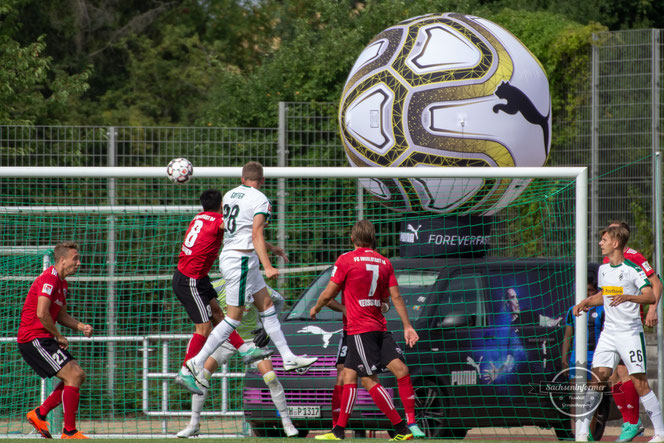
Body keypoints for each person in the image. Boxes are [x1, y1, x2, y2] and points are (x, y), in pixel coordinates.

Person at [181, 162, 317, 395]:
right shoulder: (261, 199)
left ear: (243, 178)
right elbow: (255, 232)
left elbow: (241, 230)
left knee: (266, 305)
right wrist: (268, 266)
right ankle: (195, 363)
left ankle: (288, 357)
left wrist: (270, 249)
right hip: (242, 260)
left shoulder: (231, 194)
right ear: (262, 180)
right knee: (232, 318)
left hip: (240, 258)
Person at [310, 220, 423, 440]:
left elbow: (327, 294)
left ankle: (402, 429)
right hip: (379, 327)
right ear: (373, 239)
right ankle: (339, 431)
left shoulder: (346, 260)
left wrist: (316, 307)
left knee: (369, 380)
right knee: (355, 374)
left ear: (352, 238)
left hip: (359, 329)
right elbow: (391, 299)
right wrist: (408, 326)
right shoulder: (384, 262)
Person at [173, 189, 271, 393]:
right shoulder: (218, 221)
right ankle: (186, 371)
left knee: (219, 314)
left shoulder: (199, 217)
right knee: (204, 328)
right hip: (190, 281)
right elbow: (242, 231)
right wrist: (258, 219)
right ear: (222, 206)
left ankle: (245, 350)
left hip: (197, 277)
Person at [573, 225, 664, 442]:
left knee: (639, 381)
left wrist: (629, 298)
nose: (600, 243)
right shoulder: (603, 269)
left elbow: (650, 295)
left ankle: (659, 432)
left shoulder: (633, 267)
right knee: (597, 378)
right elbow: (605, 296)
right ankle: (582, 432)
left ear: (615, 243)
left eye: (604, 239)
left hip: (629, 333)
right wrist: (587, 301)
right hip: (609, 334)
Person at [177, 278, 298, 438]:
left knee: (271, 378)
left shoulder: (257, 286)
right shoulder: (218, 287)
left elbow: (279, 301)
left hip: (251, 340)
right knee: (201, 377)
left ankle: (287, 422)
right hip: (225, 340)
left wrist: (267, 328)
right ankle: (193, 424)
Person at [17, 242, 93, 439]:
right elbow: (42, 314)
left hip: (43, 338)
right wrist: (59, 335)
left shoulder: (63, 284)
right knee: (74, 375)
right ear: (62, 260)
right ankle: (68, 431)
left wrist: (80, 326)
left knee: (78, 375)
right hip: (33, 338)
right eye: (74, 258)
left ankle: (41, 414)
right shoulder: (49, 279)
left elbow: (60, 316)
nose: (78, 263)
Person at [602, 221, 663, 442]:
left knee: (632, 375)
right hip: (612, 326)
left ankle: (634, 423)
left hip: (629, 326)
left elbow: (656, 283)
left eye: (610, 232)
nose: (604, 238)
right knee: (612, 375)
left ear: (620, 236)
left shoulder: (634, 257)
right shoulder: (607, 260)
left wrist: (652, 309)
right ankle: (630, 421)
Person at [561, 278, 605, 438]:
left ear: (596, 291)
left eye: (591, 290)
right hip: (576, 360)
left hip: (596, 359)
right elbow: (567, 336)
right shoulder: (572, 310)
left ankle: (589, 434)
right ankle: (576, 434)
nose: (587, 293)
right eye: (584, 290)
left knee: (592, 398)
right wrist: (564, 358)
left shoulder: (601, 310)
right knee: (576, 398)